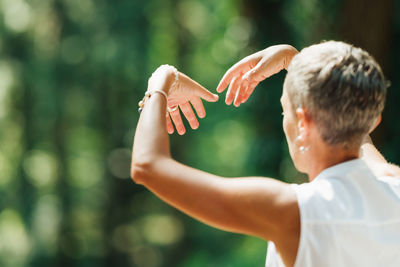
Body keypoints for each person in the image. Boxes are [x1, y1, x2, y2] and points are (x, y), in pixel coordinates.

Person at [131, 41, 400, 267]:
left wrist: (161, 82)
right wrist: (290, 60)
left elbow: (148, 166)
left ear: (303, 122)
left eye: (285, 110)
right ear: (374, 120)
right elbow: (354, 122)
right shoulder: (393, 184)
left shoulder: (295, 212)